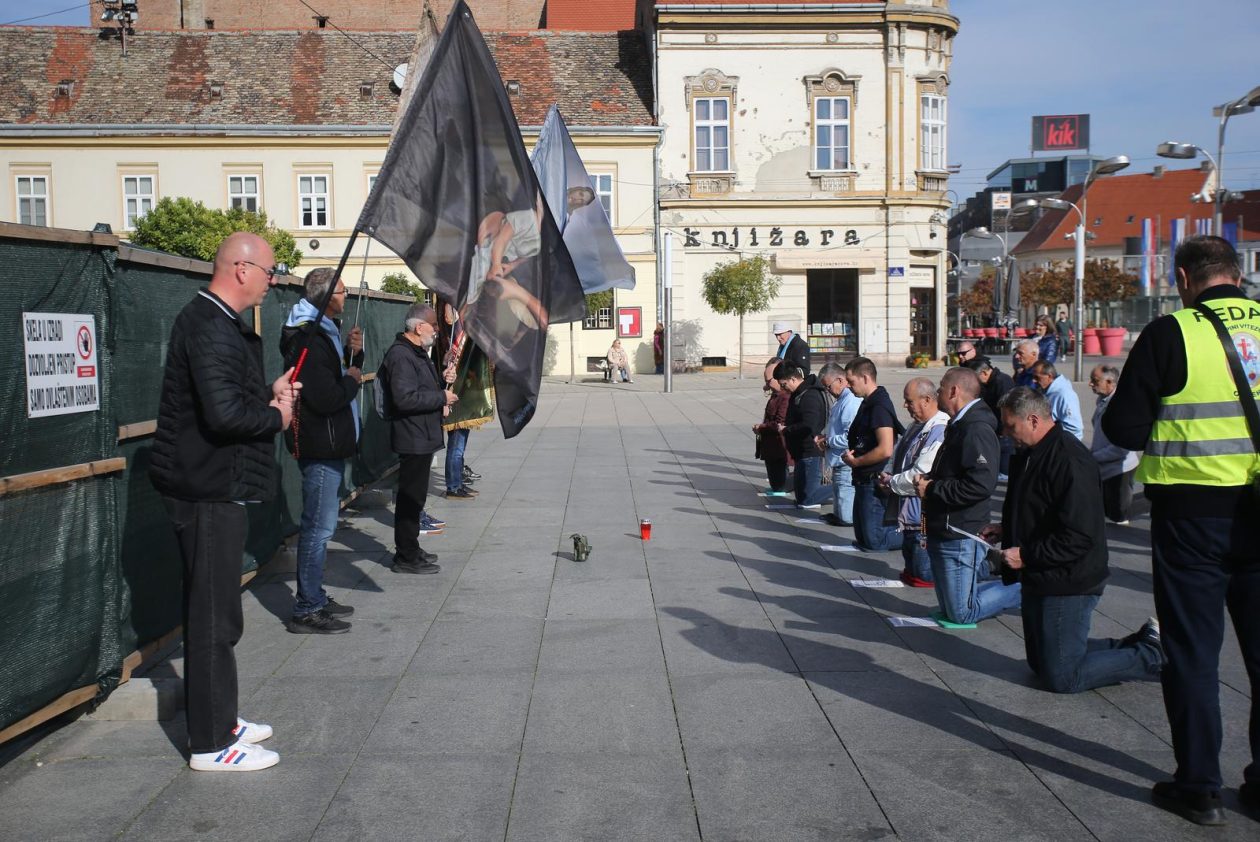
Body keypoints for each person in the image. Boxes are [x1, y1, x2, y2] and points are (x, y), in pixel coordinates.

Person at [1102, 235, 1260, 826]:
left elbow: (1122, 428)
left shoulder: (1173, 332)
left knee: (1193, 652)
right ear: (1237, 274)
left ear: (1185, 279)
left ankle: (1199, 787)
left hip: (1192, 515)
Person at [151, 232, 296, 772]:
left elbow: (228, 398)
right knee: (214, 619)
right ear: (241, 269)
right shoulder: (210, 324)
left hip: (213, 485)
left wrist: (268, 393)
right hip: (206, 489)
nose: (272, 281)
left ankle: (222, 719)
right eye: (270, 271)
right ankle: (212, 744)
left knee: (219, 615)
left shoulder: (216, 322)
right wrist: (276, 416)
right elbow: (224, 416)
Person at [982, 387, 1163, 693]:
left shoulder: (1069, 459)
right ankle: (1141, 642)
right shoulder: (1031, 453)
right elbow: (1037, 509)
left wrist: (1025, 555)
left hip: (1069, 579)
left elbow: (1080, 535)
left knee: (1063, 676)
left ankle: (1151, 655)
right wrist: (1005, 528)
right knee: (1041, 663)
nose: (1005, 433)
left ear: (1033, 420)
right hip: (1041, 572)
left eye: (1011, 426)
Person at [279, 268, 363, 635]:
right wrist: (352, 380)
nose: (346, 297)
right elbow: (327, 396)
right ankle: (307, 607)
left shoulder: (322, 332)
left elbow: (332, 377)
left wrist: (353, 357)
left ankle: (314, 594)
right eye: (342, 292)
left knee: (322, 526)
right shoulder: (309, 338)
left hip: (328, 443)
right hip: (320, 444)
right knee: (318, 528)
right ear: (326, 297)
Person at [914, 367, 1021, 625]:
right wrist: (930, 479)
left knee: (963, 613)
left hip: (960, 530)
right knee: (949, 608)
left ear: (954, 391)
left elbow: (981, 484)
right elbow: (955, 470)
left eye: (940, 388)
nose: (937, 393)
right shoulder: (960, 423)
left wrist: (932, 488)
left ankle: (1025, 589)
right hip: (944, 525)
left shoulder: (976, 428)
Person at [380, 303, 458, 573]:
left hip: (422, 434)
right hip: (412, 436)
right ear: (418, 327)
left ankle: (411, 547)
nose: (436, 330)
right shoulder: (401, 355)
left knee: (416, 498)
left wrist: (443, 378)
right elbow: (404, 398)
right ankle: (406, 556)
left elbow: (422, 387)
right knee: (410, 498)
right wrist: (441, 397)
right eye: (433, 325)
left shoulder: (417, 352)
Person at [880, 378, 948, 587]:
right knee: (912, 568)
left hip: (923, 513)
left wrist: (892, 482)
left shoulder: (940, 428)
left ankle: (989, 566)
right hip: (908, 510)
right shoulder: (917, 425)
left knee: (924, 572)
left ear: (926, 400)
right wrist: (887, 473)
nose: (905, 405)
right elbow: (898, 454)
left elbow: (922, 472)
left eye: (909, 401)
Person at [842, 357, 902, 551]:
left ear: (865, 378)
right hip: (862, 477)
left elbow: (885, 448)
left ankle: (918, 536)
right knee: (862, 537)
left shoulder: (879, 406)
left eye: (851, 381)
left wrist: (856, 462)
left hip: (873, 478)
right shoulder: (868, 402)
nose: (848, 386)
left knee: (874, 540)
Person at [1089, 364, 1138, 524]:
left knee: (1119, 516)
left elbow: (1121, 448)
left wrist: (1094, 456)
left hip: (1119, 470)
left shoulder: (1120, 405)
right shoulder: (1102, 401)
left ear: (1110, 382)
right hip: (1105, 468)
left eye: (1095, 380)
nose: (1090, 384)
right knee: (1107, 512)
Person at [776, 363, 830, 506]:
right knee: (801, 498)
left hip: (810, 452)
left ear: (793, 379)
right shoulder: (799, 393)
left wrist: (786, 430)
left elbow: (809, 425)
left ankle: (845, 487)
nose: (783, 388)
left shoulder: (810, 395)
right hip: (801, 452)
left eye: (784, 384)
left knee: (807, 499)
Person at [816, 363, 861, 526]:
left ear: (840, 380)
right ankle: (839, 516)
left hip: (845, 460)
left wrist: (828, 441)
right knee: (839, 494)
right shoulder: (841, 400)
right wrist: (826, 437)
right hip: (839, 460)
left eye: (828, 386)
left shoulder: (850, 402)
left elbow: (851, 436)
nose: (827, 391)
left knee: (845, 495)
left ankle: (845, 519)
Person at [966, 356, 1016, 478]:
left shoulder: (1002, 382)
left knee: (1004, 471)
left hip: (1004, 432)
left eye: (976, 379)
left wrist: (1003, 430)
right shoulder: (988, 383)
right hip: (994, 428)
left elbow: (1007, 410)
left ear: (984, 373)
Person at [754, 358, 792, 494]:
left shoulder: (785, 397)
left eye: (768, 381)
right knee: (772, 469)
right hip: (770, 444)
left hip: (778, 444)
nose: (766, 385)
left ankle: (781, 487)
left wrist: (761, 427)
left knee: (778, 471)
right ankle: (777, 486)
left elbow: (779, 422)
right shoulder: (776, 395)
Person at [1029, 360, 1083, 440]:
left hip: (1063, 443)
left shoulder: (1065, 395)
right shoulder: (1045, 391)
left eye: (1037, 377)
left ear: (1049, 376)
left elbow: (1074, 427)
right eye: (1032, 377)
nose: (1033, 381)